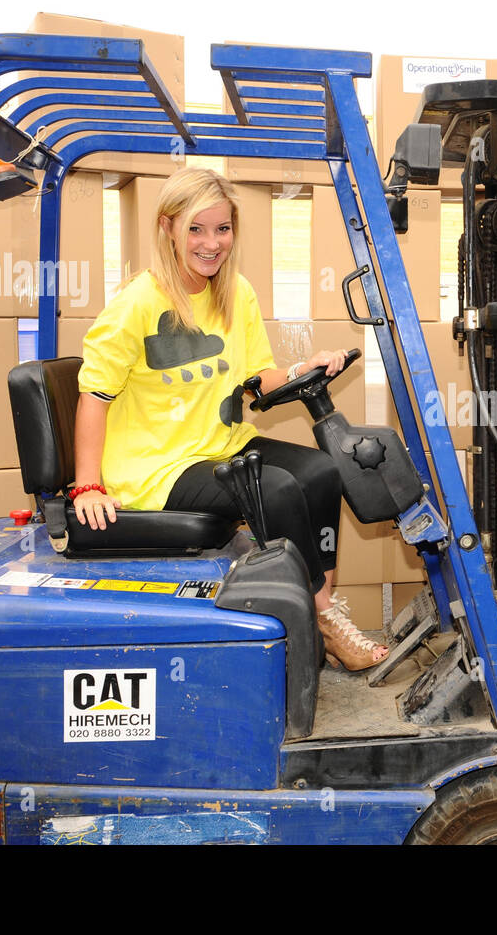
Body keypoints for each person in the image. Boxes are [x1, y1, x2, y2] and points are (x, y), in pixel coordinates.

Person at [71, 167, 387, 671]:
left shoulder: (234, 293)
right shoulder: (137, 304)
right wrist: (87, 486)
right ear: (168, 227)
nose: (211, 243)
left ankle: (318, 606)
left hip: (220, 444)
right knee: (277, 489)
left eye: (222, 229)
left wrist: (304, 367)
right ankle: (325, 618)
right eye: (196, 229)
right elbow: (94, 396)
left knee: (323, 472)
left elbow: (258, 376)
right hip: (159, 466)